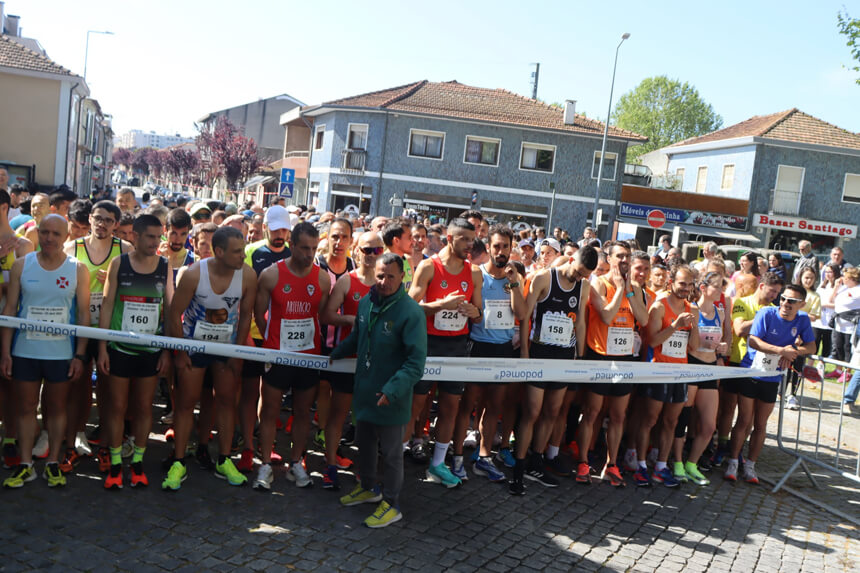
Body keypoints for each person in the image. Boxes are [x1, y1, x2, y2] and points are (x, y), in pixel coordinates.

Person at [333, 253, 426, 528]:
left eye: (391, 277)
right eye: (380, 276)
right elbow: (358, 337)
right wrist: (336, 353)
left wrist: (393, 390)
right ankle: (369, 487)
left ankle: (392, 503)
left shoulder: (411, 312)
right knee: (365, 444)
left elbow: (415, 363)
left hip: (390, 397)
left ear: (402, 277)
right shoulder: (365, 303)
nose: (384, 282)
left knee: (392, 453)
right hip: (365, 391)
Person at [163, 226, 256, 490]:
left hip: (225, 348)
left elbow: (246, 315)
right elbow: (174, 312)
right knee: (185, 403)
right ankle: (179, 461)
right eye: (238, 252)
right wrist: (180, 353)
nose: (243, 256)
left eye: (244, 249)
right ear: (219, 252)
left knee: (226, 402)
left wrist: (237, 352)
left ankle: (224, 460)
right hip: (194, 345)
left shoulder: (247, 275)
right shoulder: (195, 274)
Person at [1, 214, 90, 488]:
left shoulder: (78, 269)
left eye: (56, 234)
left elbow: (84, 315)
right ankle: (26, 464)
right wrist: (5, 352)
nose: (50, 238)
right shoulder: (21, 266)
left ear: (66, 237)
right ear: (37, 233)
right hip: (25, 350)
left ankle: (53, 461)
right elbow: (10, 309)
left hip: (60, 353)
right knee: (26, 408)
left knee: (57, 408)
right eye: (45, 232)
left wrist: (80, 355)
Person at [509, 246, 596, 495]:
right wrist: (525, 352)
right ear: (571, 260)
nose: (579, 278)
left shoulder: (584, 286)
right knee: (532, 411)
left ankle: (537, 461)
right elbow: (526, 316)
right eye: (578, 272)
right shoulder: (544, 277)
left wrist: (579, 355)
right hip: (539, 353)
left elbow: (579, 322)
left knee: (552, 411)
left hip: (564, 356)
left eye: (584, 275)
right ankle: (519, 466)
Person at [97, 214, 173, 489]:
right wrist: (102, 347)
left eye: (159, 236)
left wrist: (166, 351)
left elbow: (170, 310)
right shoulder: (120, 263)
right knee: (117, 407)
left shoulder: (165, 266)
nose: (156, 242)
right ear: (136, 237)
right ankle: (116, 463)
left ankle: (138, 462)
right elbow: (106, 305)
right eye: (151, 236)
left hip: (150, 351)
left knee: (143, 407)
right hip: (120, 349)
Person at [252, 222, 329, 491]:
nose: (309, 254)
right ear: (292, 245)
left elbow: (323, 315)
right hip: (278, 355)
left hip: (309, 356)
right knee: (270, 409)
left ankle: (296, 462)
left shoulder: (322, 278)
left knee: (303, 412)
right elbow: (258, 313)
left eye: (314, 249)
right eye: (305, 248)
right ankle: (264, 464)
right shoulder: (271, 275)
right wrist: (272, 342)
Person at [407, 218, 482, 488]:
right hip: (428, 343)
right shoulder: (429, 267)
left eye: (472, 240)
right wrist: (441, 304)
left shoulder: (473, 272)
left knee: (451, 406)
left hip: (457, 346)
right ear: (450, 238)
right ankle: (399, 453)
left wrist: (475, 313)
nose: (470, 245)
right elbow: (409, 307)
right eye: (465, 239)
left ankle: (438, 463)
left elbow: (478, 313)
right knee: (415, 404)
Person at [63, 200, 133, 473]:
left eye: (108, 220)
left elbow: (132, 290)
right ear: (90, 219)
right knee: (77, 384)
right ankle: (75, 438)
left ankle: (105, 443)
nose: (102, 224)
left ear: (116, 224)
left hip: (109, 328)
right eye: (98, 218)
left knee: (107, 387)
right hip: (80, 325)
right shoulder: (73, 248)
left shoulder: (124, 251)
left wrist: (114, 282)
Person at [452, 225, 526, 484]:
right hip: (477, 345)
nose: (501, 251)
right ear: (489, 247)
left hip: (503, 349)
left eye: (506, 246)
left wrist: (515, 282)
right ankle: (458, 457)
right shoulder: (477, 274)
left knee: (495, 406)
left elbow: (522, 313)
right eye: (497, 246)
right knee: (468, 404)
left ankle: (484, 458)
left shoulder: (513, 278)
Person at [725, 283, 816, 484]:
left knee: (760, 423)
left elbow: (812, 346)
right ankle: (732, 462)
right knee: (744, 420)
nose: (785, 304)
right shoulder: (767, 312)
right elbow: (753, 341)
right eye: (783, 298)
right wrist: (780, 351)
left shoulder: (802, 320)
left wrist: (794, 351)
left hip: (772, 377)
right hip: (752, 371)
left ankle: (750, 466)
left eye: (791, 301)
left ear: (801, 304)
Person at [580, 241, 649, 488]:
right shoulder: (598, 283)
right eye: (619, 256)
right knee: (592, 412)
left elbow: (643, 318)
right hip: (600, 356)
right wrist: (620, 289)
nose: (624, 260)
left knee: (619, 415)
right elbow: (606, 316)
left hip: (624, 358)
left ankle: (612, 464)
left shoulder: (636, 289)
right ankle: (583, 461)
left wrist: (629, 290)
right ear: (608, 259)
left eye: (627, 256)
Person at [318, 231, 383, 489]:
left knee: (369, 420)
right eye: (367, 250)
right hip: (348, 360)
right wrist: (351, 321)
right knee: (338, 415)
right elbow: (327, 315)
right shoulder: (347, 281)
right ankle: (330, 465)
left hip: (375, 363)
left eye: (376, 250)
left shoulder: (388, 283)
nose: (371, 255)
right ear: (357, 250)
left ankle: (365, 469)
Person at [235, 205, 292, 472]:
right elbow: (240, 295)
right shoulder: (251, 252)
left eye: (285, 229)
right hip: (253, 336)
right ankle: (247, 446)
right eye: (276, 229)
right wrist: (244, 333)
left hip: (279, 338)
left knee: (271, 397)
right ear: (266, 227)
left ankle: (266, 446)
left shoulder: (295, 254)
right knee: (248, 393)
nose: (280, 234)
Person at [635, 265, 699, 488]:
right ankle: (641, 465)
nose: (686, 288)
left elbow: (694, 346)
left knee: (671, 422)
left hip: (680, 372)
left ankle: (661, 467)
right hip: (659, 369)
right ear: (672, 282)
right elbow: (652, 341)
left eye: (690, 284)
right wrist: (676, 325)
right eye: (682, 283)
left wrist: (694, 326)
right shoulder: (660, 306)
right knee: (650, 420)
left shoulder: (692, 308)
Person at [711, 272, 783, 466]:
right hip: (737, 359)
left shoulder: (775, 309)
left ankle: (738, 449)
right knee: (728, 407)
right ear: (761, 286)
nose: (774, 297)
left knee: (748, 415)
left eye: (777, 293)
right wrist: (763, 316)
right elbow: (739, 329)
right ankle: (721, 447)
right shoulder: (743, 303)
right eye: (771, 291)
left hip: (759, 366)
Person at [674, 271, 728, 485]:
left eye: (722, 287)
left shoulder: (720, 312)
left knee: (708, 426)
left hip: (710, 367)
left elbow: (720, 341)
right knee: (683, 420)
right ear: (704, 288)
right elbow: (690, 343)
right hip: (692, 365)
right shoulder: (692, 309)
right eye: (717, 286)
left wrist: (722, 348)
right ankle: (677, 462)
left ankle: (692, 464)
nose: (721, 291)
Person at [829, 267, 860, 380]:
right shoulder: (843, 288)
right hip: (838, 323)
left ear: (851, 278)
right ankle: (838, 369)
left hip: (850, 325)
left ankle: (847, 372)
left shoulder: (858, 290)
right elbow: (831, 300)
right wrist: (836, 287)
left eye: (845, 277)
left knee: (848, 348)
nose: (843, 279)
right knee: (838, 347)